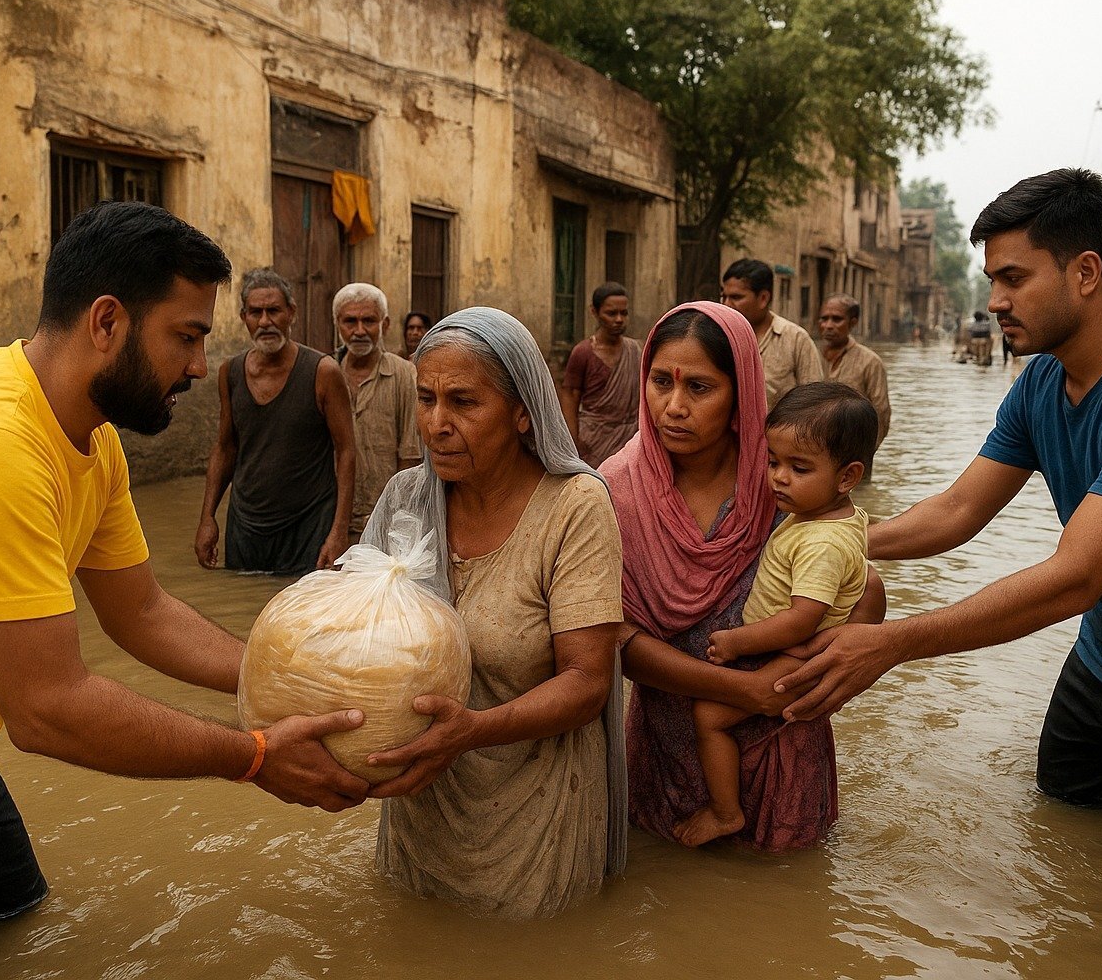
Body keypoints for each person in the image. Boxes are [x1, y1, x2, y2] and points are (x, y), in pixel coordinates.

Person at [0, 202, 372, 980]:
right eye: (186, 337)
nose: (194, 367)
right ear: (107, 321)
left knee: (11, 928)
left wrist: (285, 677)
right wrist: (252, 757)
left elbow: (142, 612)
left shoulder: (91, 436)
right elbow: (47, 710)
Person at [778, 169, 1102, 879]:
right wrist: (813, 541)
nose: (994, 301)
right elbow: (959, 510)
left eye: (1013, 278)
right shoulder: (1043, 382)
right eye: (992, 280)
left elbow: (1074, 578)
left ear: (1086, 272)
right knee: (1064, 832)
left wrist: (890, 644)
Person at [355, 307, 626, 920]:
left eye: (463, 402)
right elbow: (357, 640)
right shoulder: (406, 501)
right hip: (422, 798)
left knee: (538, 950)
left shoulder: (574, 507)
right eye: (425, 399)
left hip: (535, 809)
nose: (435, 424)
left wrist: (473, 730)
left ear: (523, 411)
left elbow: (586, 683)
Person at [600, 302, 885, 851]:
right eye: (661, 382)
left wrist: (796, 679)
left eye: (700, 388)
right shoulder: (615, 490)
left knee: (787, 910)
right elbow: (612, 638)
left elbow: (862, 592)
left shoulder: (783, 476)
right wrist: (743, 689)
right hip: (669, 747)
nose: (674, 407)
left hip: (785, 736)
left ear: (742, 392)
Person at [677, 382, 877, 847]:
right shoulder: (826, 517)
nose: (779, 478)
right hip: (790, 653)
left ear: (847, 477)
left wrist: (737, 642)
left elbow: (802, 619)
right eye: (773, 462)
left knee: (708, 717)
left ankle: (725, 813)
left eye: (798, 468)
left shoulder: (822, 541)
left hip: (790, 660)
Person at [195, 268, 356, 574]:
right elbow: (225, 448)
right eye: (256, 312)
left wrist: (339, 531)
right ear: (244, 317)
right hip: (247, 525)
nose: (266, 322)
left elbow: (346, 451)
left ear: (291, 313)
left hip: (308, 524)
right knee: (245, 608)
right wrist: (207, 518)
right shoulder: (229, 373)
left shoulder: (323, 372)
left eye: (274, 311)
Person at [331, 283, 421, 542]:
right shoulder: (326, 373)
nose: (359, 331)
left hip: (385, 521)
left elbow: (410, 457)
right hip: (332, 521)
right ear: (338, 323)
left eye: (369, 321)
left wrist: (397, 520)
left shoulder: (405, 375)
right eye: (350, 321)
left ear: (385, 324)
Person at [720, 258, 825, 408]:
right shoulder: (718, 336)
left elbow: (814, 402)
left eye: (736, 297)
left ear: (763, 298)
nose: (726, 304)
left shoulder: (795, 339)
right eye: (724, 296)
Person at [561, 281, 642, 468]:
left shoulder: (636, 350)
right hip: (592, 442)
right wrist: (574, 442)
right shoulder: (583, 352)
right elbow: (570, 397)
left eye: (624, 313)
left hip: (629, 441)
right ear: (594, 312)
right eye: (611, 313)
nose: (619, 319)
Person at [817, 296, 891, 475]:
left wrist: (865, 453)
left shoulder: (870, 361)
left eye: (836, 319)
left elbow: (881, 412)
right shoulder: (811, 354)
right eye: (824, 318)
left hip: (854, 457)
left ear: (853, 322)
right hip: (813, 455)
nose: (828, 325)